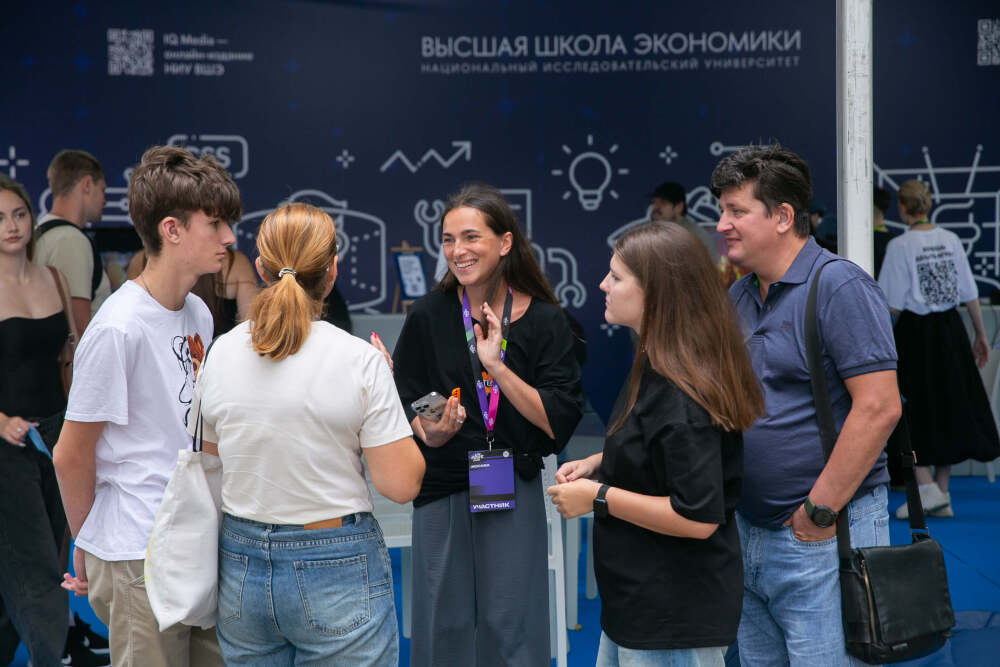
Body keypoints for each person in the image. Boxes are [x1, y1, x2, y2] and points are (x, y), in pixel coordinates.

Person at [189, 202, 424, 664]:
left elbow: (210, 462)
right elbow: (401, 484)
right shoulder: (360, 360)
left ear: (261, 268)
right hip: (337, 560)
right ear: (332, 270)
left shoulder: (220, 353)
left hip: (240, 561)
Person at [713, 145, 902, 665]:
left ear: (782, 216)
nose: (722, 224)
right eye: (722, 210)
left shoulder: (839, 285)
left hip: (824, 534)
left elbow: (879, 407)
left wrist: (818, 512)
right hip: (751, 533)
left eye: (736, 211)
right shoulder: (739, 297)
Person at [53, 145, 241, 667]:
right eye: (215, 223)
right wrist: (89, 540)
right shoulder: (117, 328)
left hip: (197, 540)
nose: (229, 237)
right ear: (171, 229)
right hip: (137, 550)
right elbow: (70, 454)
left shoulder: (199, 312)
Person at [546, 222, 763, 666]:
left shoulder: (681, 390)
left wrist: (598, 496)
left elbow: (697, 516)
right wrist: (600, 462)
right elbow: (661, 450)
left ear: (656, 291)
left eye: (616, 276)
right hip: (640, 608)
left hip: (671, 618)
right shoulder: (658, 363)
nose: (603, 284)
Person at [392, 183, 584, 666]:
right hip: (442, 483)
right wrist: (434, 426)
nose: (457, 250)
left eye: (471, 237)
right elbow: (409, 392)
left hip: (510, 479)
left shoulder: (546, 321)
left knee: (512, 623)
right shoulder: (429, 315)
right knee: (443, 624)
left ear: (504, 242)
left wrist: (496, 366)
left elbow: (557, 420)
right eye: (448, 239)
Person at [0, 176, 111, 667]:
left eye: (19, 214)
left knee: (52, 551)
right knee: (35, 561)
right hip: (8, 443)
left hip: (57, 433)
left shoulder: (54, 278)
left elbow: (69, 358)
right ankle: (54, 656)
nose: (11, 226)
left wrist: (79, 425)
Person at [877, 178, 1000, 519]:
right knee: (949, 407)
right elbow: (969, 291)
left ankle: (928, 487)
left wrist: (876, 339)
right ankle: (940, 491)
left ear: (902, 208)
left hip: (916, 336)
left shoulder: (900, 246)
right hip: (951, 330)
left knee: (913, 410)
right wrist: (980, 334)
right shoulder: (951, 240)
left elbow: (892, 304)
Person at [33, 150, 111, 336]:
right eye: (102, 190)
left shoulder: (40, 232)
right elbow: (78, 329)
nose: (105, 200)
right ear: (87, 184)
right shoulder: (70, 240)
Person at [126, 246, 259, 337]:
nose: (228, 236)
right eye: (213, 224)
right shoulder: (236, 262)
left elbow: (252, 328)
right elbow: (252, 333)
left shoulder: (142, 261)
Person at [648, 181, 719, 264]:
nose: (656, 207)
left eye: (663, 203)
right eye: (653, 202)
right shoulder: (645, 234)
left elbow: (709, 268)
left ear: (679, 207)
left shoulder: (697, 236)